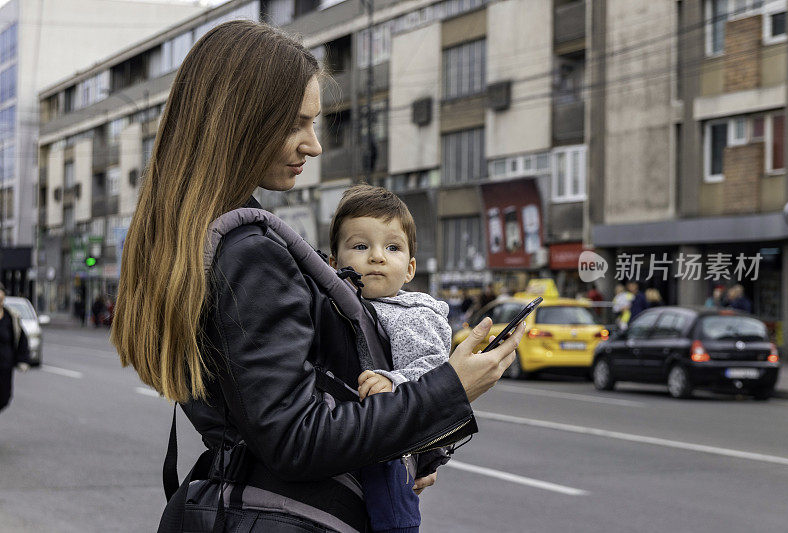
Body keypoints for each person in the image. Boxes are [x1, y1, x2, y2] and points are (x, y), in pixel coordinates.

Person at [110, 21, 523, 533]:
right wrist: (447, 390)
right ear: (241, 123)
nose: (315, 145)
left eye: (316, 124)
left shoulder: (195, 236)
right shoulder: (249, 252)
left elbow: (275, 420)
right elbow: (296, 440)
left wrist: (397, 444)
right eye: (297, 124)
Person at [327, 184, 450, 533]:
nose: (377, 256)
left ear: (410, 268)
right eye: (361, 246)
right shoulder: (341, 305)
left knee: (393, 514)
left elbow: (435, 371)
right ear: (333, 263)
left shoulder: (413, 313)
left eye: (392, 247)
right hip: (351, 436)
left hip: (391, 437)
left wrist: (392, 381)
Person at [0, 283, 30, 414]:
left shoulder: (11, 317)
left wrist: (23, 359)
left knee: (4, 398)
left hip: (5, 366)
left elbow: (21, 339)